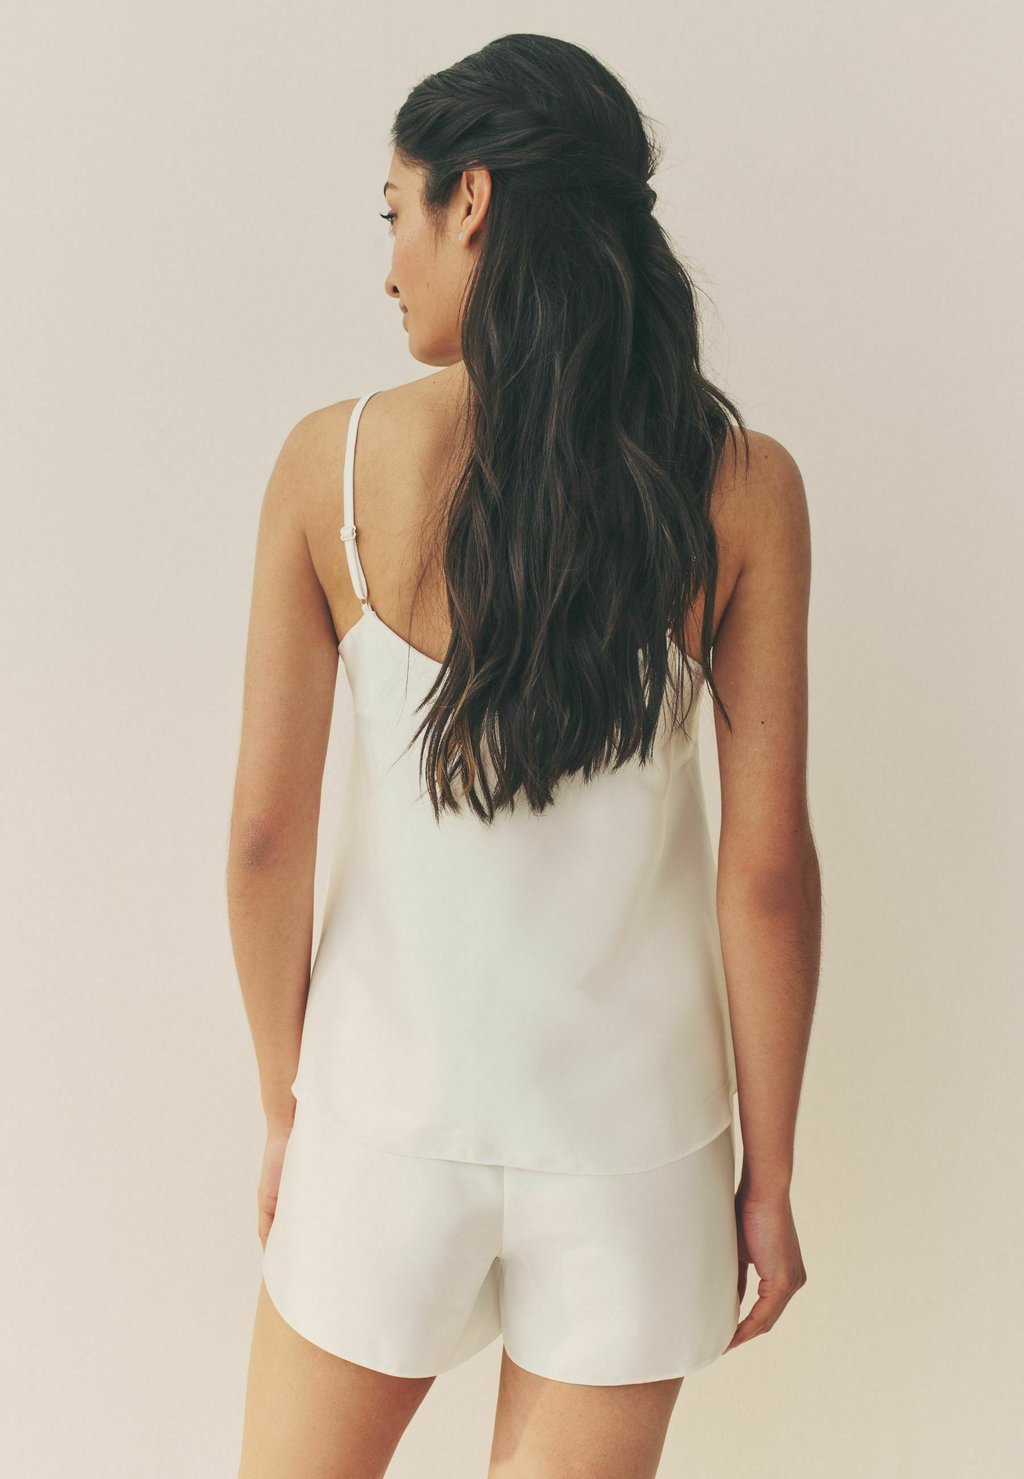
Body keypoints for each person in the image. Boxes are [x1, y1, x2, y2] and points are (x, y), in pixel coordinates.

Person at [228, 32, 818, 1479]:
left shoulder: (328, 468)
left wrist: (287, 1106)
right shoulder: (740, 489)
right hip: (635, 1156)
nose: (389, 267)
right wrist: (771, 1175)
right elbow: (767, 877)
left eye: (397, 213)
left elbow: (261, 842)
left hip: (384, 1126)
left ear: (473, 200)